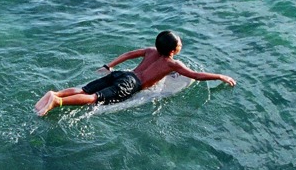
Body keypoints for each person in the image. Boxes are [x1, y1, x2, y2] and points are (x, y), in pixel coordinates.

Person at [34, 30, 236, 116]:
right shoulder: (172, 64)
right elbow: (196, 76)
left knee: (85, 88)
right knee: (94, 98)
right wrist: (219, 76)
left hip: (122, 74)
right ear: (173, 51)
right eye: (180, 44)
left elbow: (130, 54)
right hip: (130, 84)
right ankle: (57, 102)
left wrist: (109, 66)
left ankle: (56, 93)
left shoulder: (150, 51)